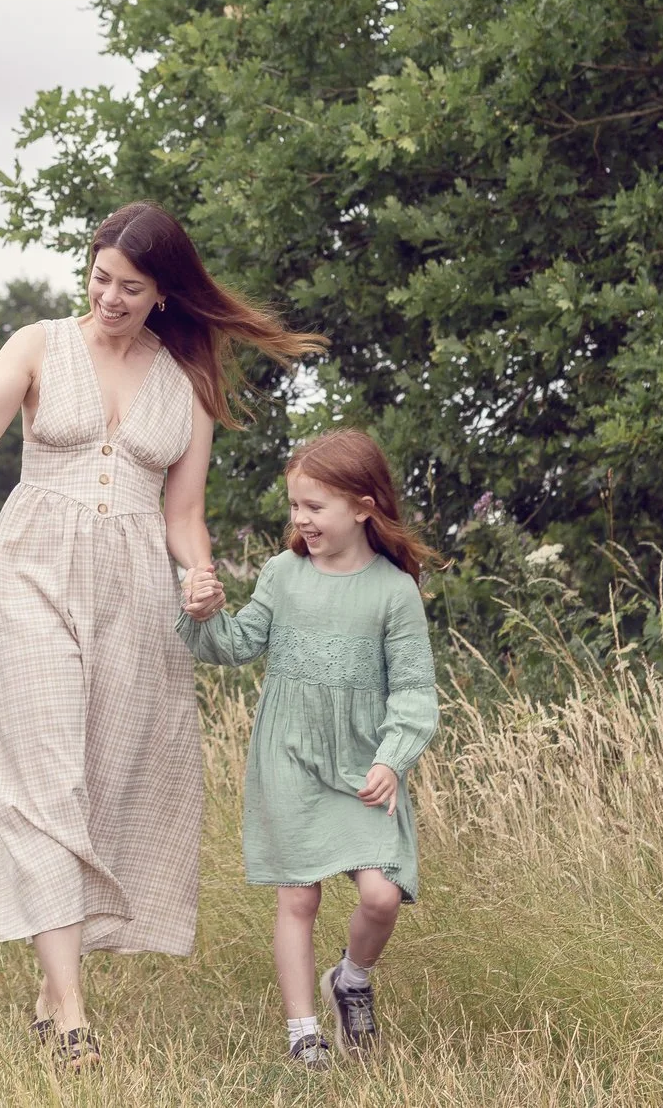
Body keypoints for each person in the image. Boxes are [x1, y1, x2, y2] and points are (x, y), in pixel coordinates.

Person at [0, 201, 322, 1068]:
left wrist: (201, 574)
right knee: (41, 778)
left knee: (104, 780)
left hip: (134, 592)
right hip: (31, 573)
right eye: (101, 278)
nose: (110, 297)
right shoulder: (38, 345)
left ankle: (54, 978)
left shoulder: (185, 382)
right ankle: (72, 1014)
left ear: (163, 294)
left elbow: (183, 514)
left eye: (131, 287)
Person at [179, 429, 439, 1069]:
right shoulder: (282, 574)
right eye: (295, 505)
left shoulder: (394, 591)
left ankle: (351, 978)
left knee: (381, 894)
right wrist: (205, 613)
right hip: (289, 755)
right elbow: (236, 645)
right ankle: (304, 1034)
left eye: (315, 506)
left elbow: (413, 691)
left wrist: (392, 759)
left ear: (363, 507)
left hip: (363, 764)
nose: (300, 518)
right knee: (299, 897)